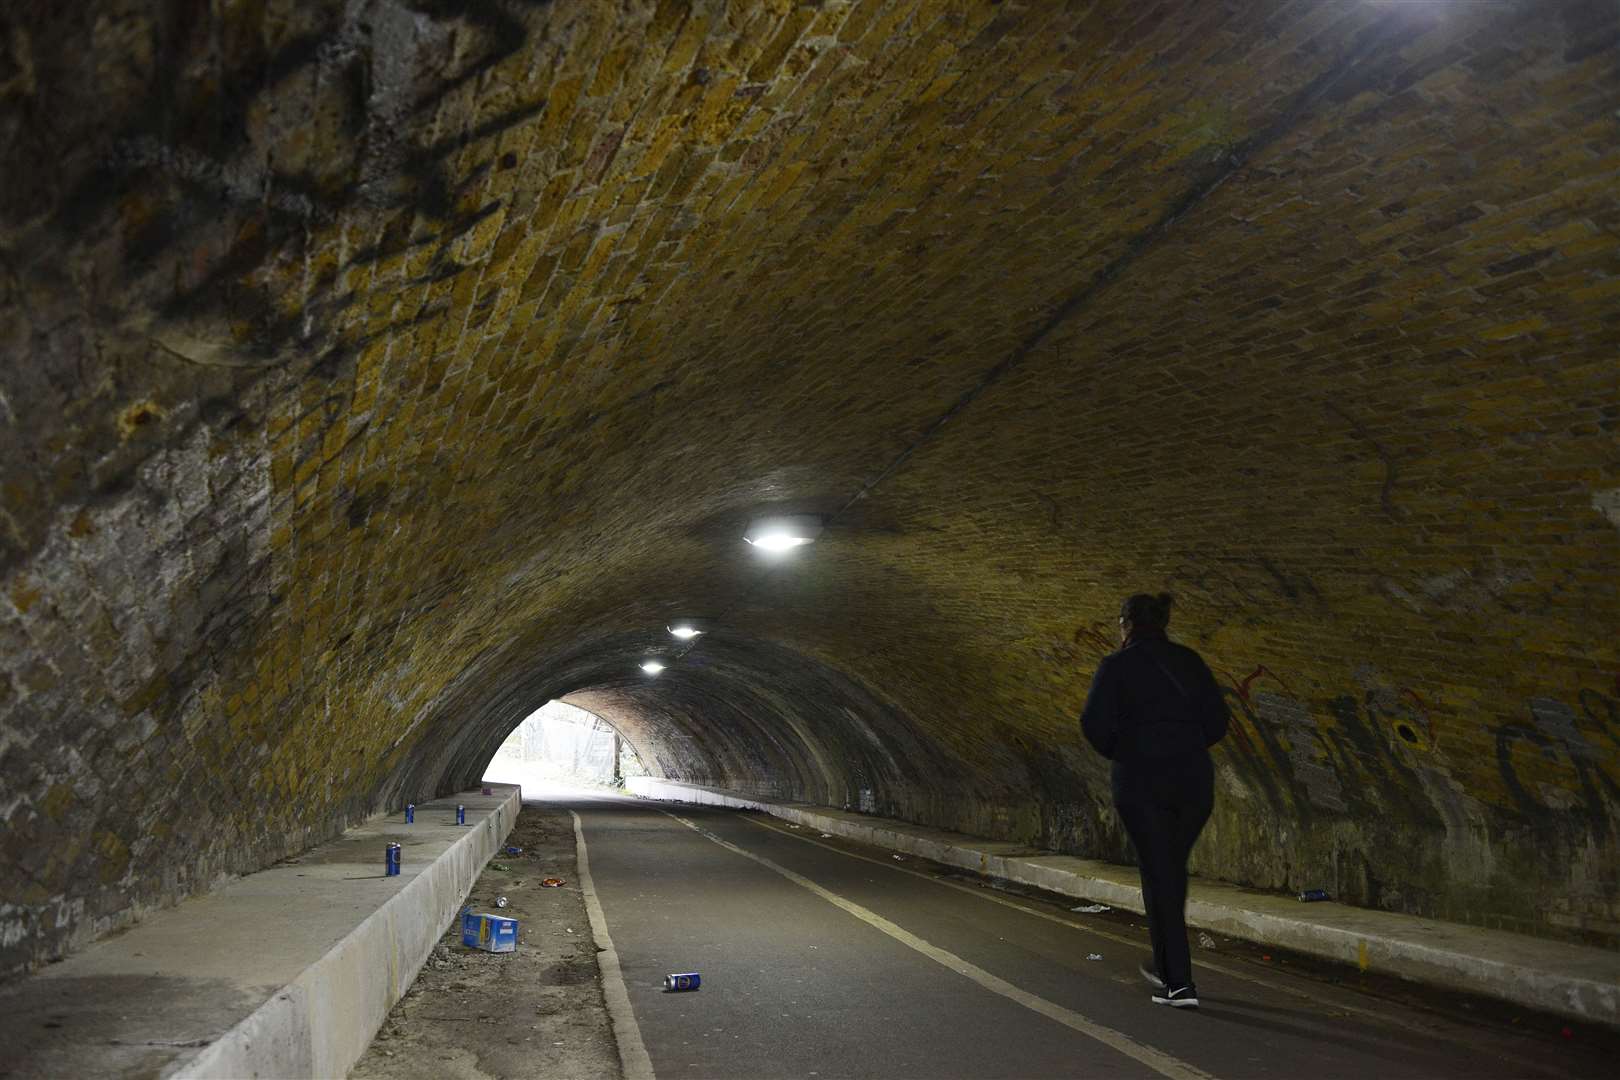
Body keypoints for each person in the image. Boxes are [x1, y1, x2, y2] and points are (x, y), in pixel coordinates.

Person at [1079, 592, 1229, 1008]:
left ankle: (1179, 982)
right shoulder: (1190, 662)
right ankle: (1167, 969)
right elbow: (1218, 721)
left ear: (1125, 624)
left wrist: (1126, 750)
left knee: (1159, 872)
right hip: (1194, 783)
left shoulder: (1116, 667)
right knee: (1169, 871)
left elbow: (1093, 723)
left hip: (1142, 783)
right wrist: (1186, 747)